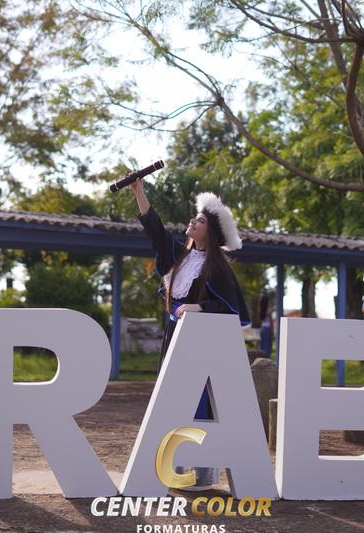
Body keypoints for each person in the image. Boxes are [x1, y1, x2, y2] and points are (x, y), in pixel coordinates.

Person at [131, 177, 250, 491]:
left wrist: (200, 307)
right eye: (194, 218)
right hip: (174, 337)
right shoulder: (179, 257)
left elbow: (230, 309)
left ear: (211, 232)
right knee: (171, 399)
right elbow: (156, 231)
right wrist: (139, 192)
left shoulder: (218, 268)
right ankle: (172, 468)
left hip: (201, 344)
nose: (192, 222)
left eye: (200, 221)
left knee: (198, 400)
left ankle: (200, 473)